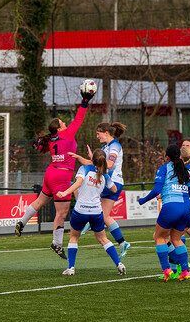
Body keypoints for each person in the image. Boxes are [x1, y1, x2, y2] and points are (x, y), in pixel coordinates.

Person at [14, 86, 95, 259]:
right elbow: (80, 118)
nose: (66, 124)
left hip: (50, 173)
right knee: (61, 213)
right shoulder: (67, 134)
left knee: (40, 201)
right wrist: (85, 100)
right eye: (62, 123)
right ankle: (56, 244)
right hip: (62, 175)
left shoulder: (51, 139)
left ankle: (22, 221)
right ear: (59, 128)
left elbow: (39, 146)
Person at [56, 149, 126, 276]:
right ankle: (119, 264)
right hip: (96, 211)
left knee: (74, 237)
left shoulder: (84, 169)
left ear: (92, 159)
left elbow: (78, 183)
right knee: (103, 239)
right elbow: (115, 189)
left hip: (81, 210)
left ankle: (71, 268)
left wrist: (65, 193)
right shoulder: (105, 175)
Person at [70, 122, 131, 258]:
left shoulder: (114, 146)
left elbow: (109, 164)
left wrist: (93, 160)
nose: (97, 136)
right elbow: (97, 164)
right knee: (104, 216)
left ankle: (86, 220)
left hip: (112, 181)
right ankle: (122, 242)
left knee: (83, 189)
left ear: (106, 132)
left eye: (98, 134)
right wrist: (82, 158)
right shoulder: (106, 146)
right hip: (113, 181)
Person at [137, 144, 190, 282]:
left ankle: (167, 270)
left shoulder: (164, 168)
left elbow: (157, 190)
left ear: (167, 157)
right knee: (176, 239)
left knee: (159, 237)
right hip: (186, 207)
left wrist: (143, 200)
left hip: (171, 207)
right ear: (179, 156)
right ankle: (185, 271)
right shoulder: (184, 170)